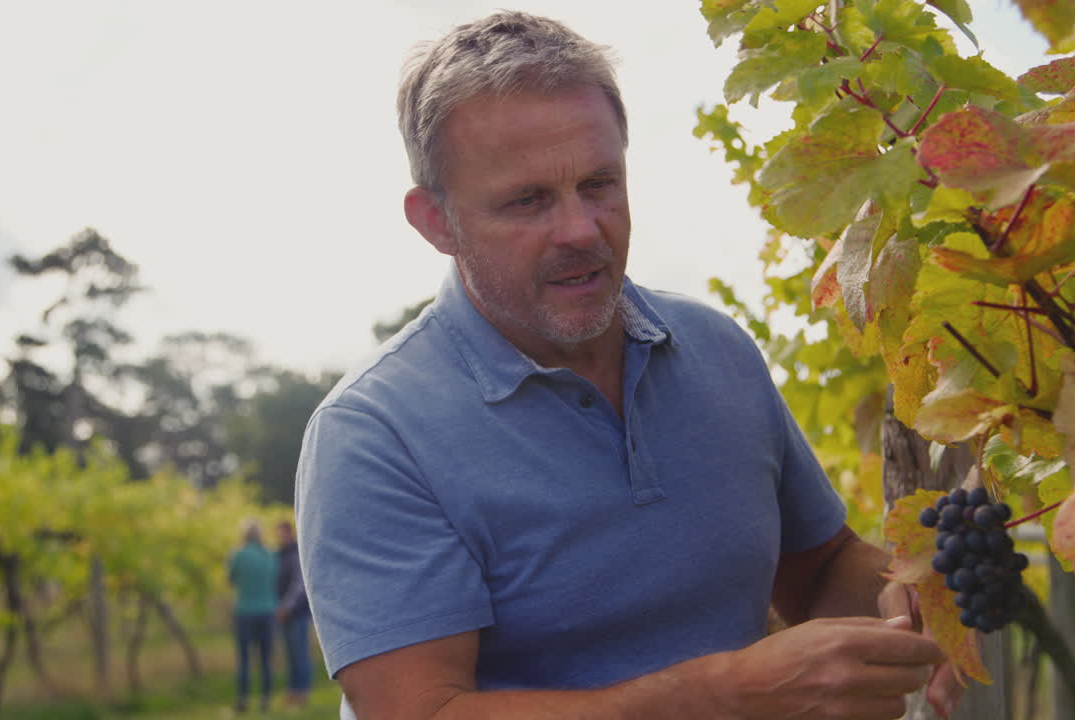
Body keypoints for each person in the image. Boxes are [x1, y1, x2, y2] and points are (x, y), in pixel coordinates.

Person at [295, 11, 963, 720]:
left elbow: (821, 566)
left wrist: (901, 597)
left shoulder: (717, 351)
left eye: (599, 184)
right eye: (528, 200)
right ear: (435, 222)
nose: (581, 229)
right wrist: (728, 696)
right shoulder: (373, 433)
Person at [227, 521, 277, 713]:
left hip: (245, 611)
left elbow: (231, 578)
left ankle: (243, 700)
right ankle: (265, 700)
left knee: (244, 659)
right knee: (265, 659)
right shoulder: (270, 555)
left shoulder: (238, 555)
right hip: (267, 611)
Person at [275, 520, 313, 707]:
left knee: (300, 654)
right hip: (283, 613)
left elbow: (299, 584)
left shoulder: (296, 553)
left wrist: (286, 607)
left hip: (297, 613)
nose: (280, 536)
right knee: (290, 655)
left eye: (283, 532)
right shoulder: (279, 555)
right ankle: (292, 693)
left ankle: (302, 693)